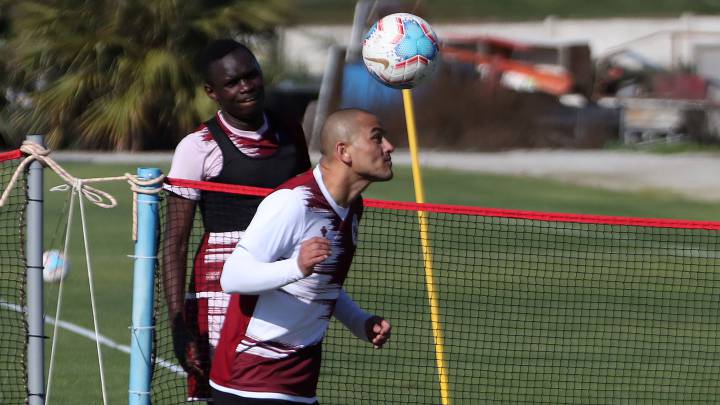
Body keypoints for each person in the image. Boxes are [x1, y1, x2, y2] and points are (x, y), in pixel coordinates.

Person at [209, 108, 394, 405]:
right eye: (377, 138)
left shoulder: (352, 207)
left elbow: (320, 285)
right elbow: (231, 277)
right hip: (249, 382)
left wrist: (359, 321)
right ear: (343, 151)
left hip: (300, 381)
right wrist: (295, 266)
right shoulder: (293, 202)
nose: (389, 146)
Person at [162, 38, 311, 401]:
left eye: (251, 75)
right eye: (232, 82)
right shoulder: (197, 148)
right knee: (225, 392)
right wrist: (180, 322)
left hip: (282, 280)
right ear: (212, 92)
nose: (246, 86)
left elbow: (309, 210)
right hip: (221, 288)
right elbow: (175, 241)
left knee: (278, 388)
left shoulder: (290, 133)